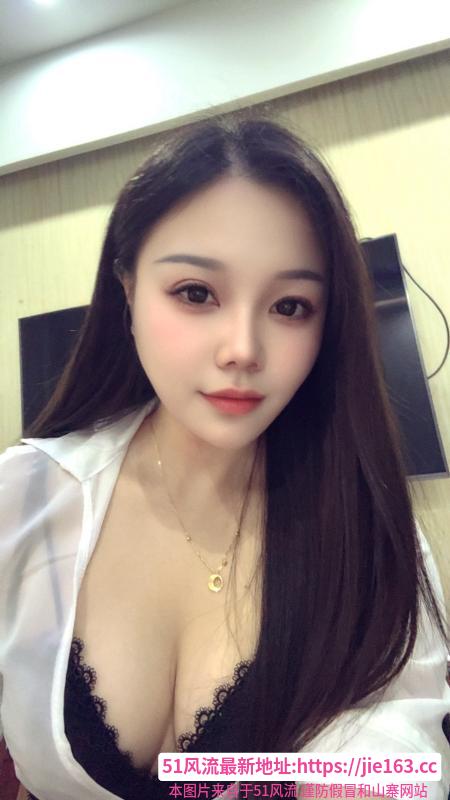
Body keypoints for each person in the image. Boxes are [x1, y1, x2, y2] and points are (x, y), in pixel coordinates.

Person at [0, 115, 449, 800]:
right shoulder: (23, 498)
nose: (242, 348)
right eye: (196, 293)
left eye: (291, 306)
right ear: (127, 289)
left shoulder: (370, 532)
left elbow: (406, 743)